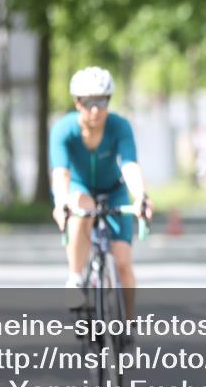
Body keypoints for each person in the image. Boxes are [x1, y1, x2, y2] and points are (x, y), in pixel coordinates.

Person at [50, 66, 152, 318]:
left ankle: (127, 325)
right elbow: (61, 172)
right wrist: (61, 202)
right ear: (77, 103)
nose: (95, 110)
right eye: (88, 103)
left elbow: (129, 164)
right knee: (80, 207)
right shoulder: (64, 130)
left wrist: (140, 196)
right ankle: (75, 278)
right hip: (79, 188)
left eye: (102, 102)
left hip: (113, 190)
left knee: (123, 262)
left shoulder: (119, 126)